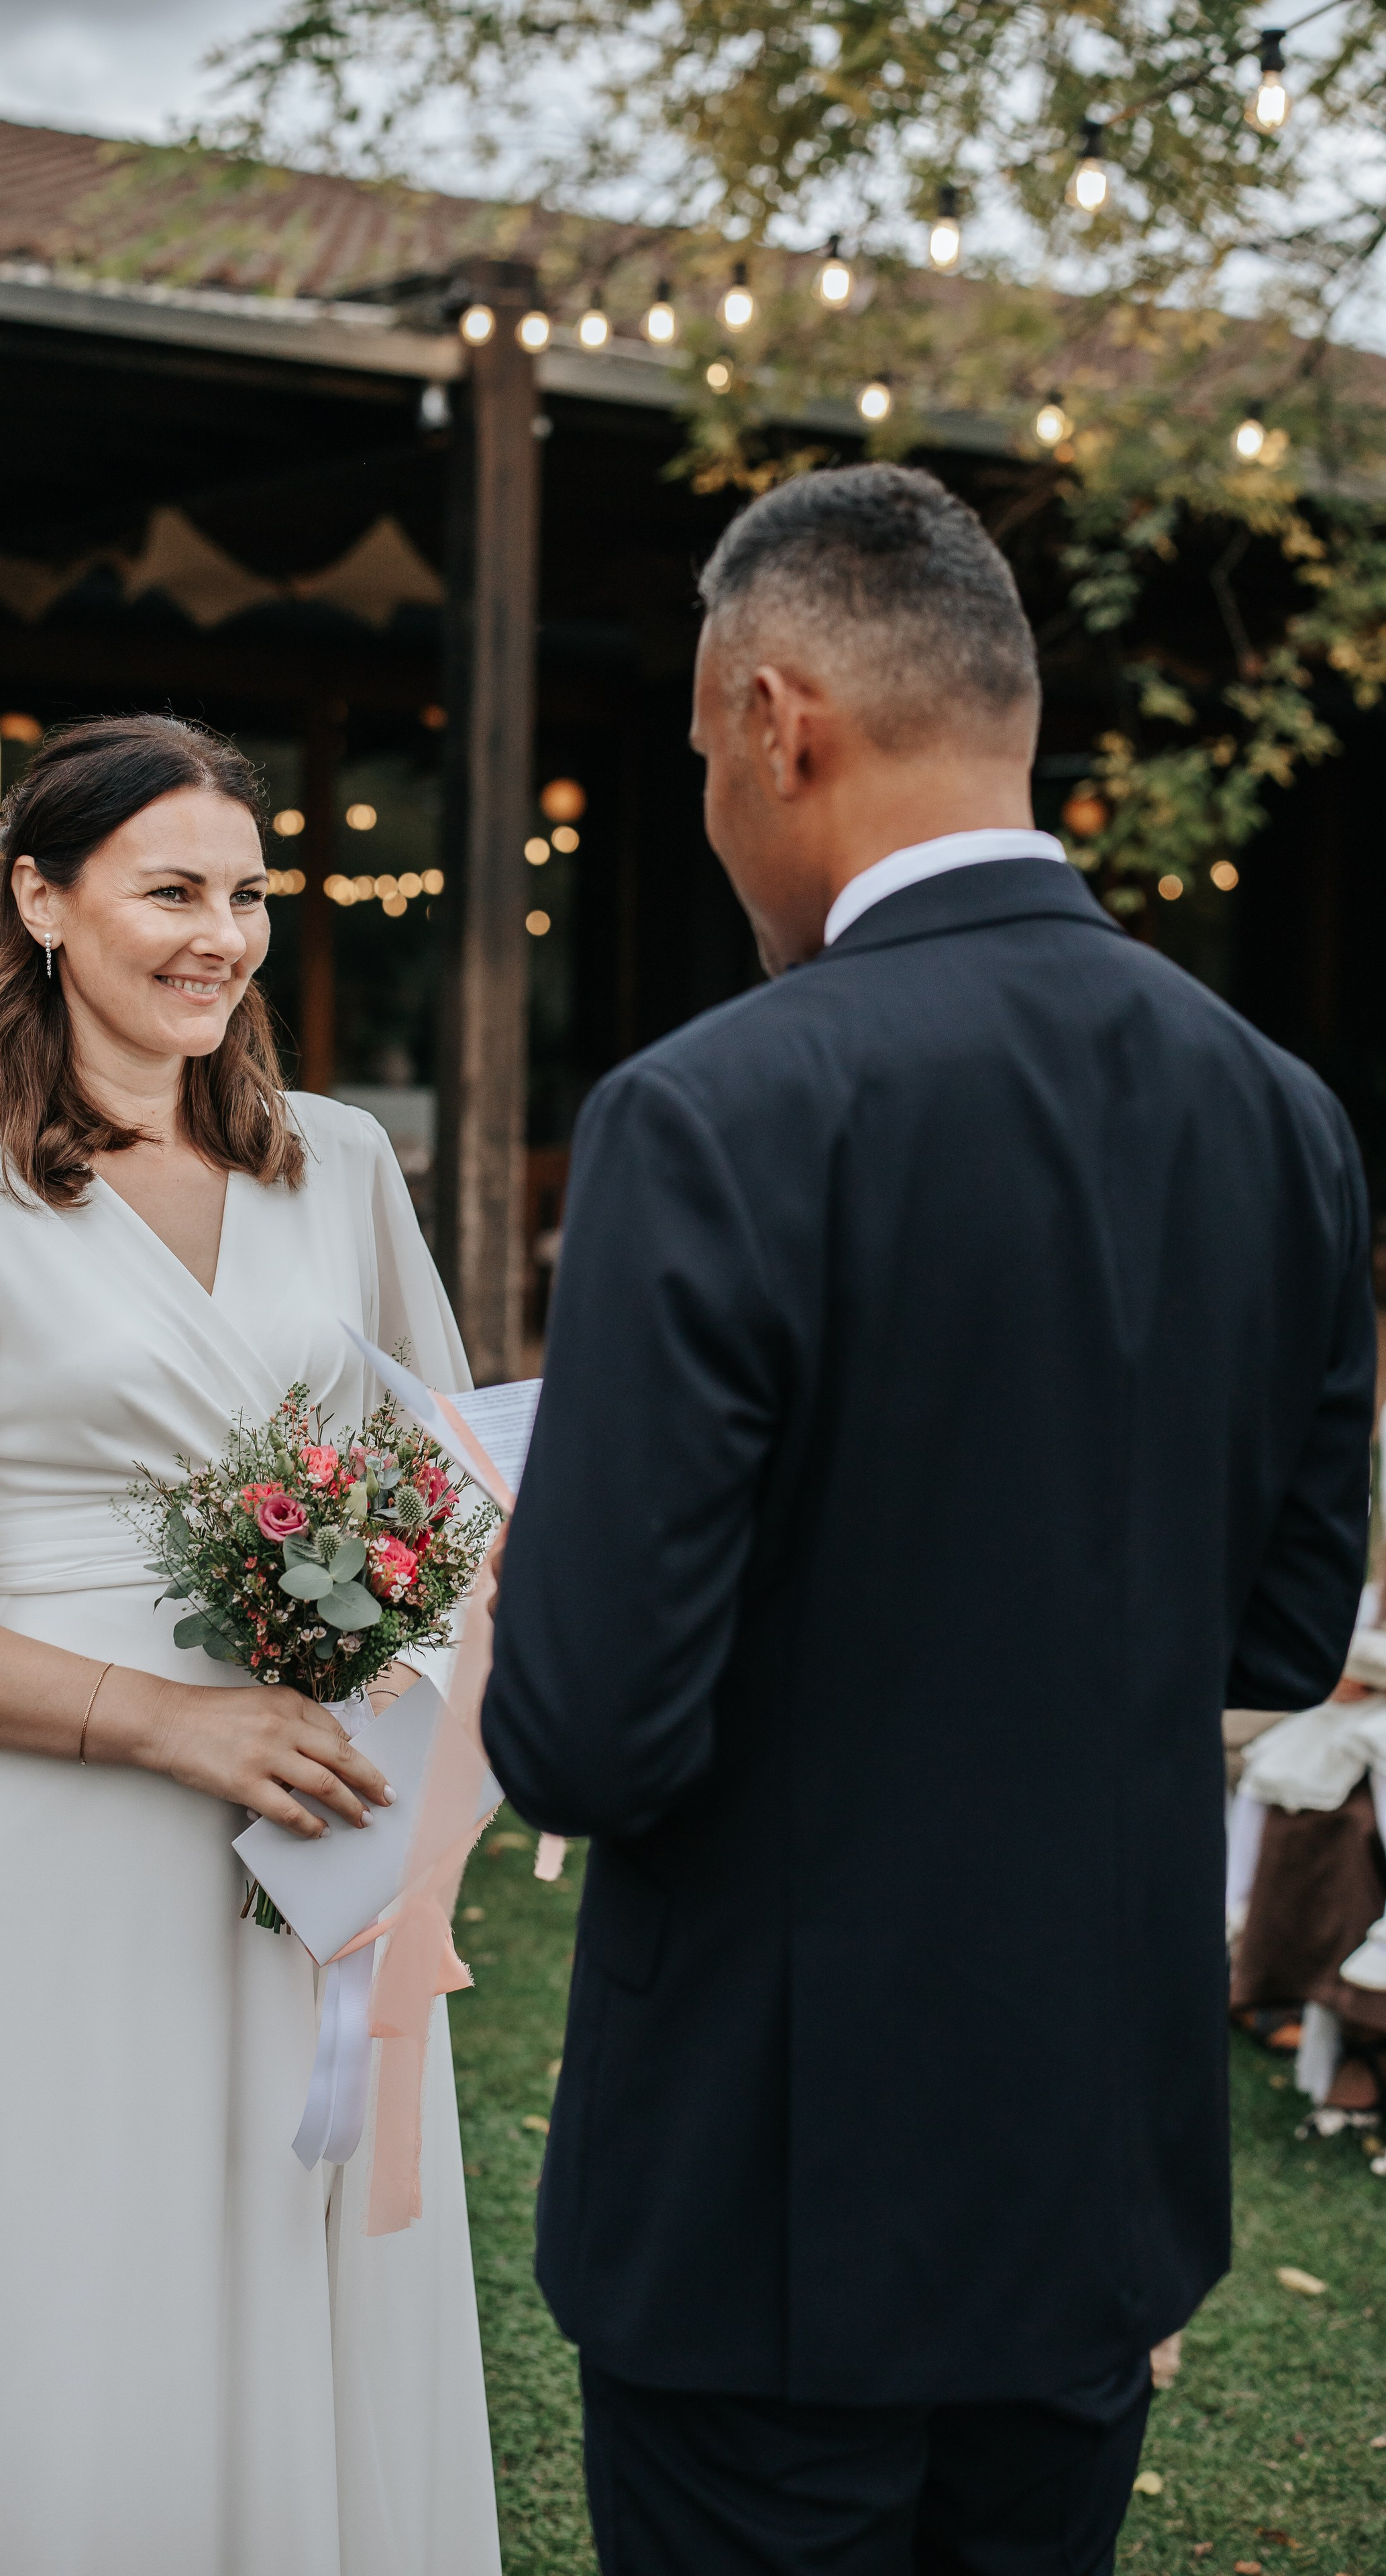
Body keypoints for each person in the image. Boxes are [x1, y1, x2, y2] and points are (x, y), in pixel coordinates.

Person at [480, 464, 1375, 2576]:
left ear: (782, 722)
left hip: (770, 2190)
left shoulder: (711, 1112)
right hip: (1089, 2169)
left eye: (705, 755)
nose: (710, 811)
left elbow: (593, 1736)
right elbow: (1278, 1631)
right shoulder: (1280, 1112)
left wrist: (552, 1589)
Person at [0, 716, 500, 2576]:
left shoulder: (339, 1166)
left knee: (299, 2238)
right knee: (79, 2300)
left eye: (246, 893)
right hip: (44, 1849)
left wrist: (407, 1704)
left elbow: (457, 1491)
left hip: (315, 1835)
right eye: (172, 889)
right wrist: (165, 1724)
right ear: (40, 898)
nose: (220, 935)